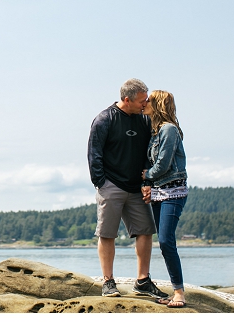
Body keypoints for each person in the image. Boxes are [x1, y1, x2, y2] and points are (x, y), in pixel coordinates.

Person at [87, 78, 169, 299]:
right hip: (110, 185)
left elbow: (149, 153)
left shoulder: (143, 120)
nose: (145, 104)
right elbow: (94, 153)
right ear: (126, 99)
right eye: (142, 100)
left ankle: (142, 281)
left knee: (145, 231)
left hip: (137, 187)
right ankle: (108, 282)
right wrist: (100, 182)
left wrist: (147, 183)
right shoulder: (105, 119)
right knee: (107, 234)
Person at [141, 90, 188, 308]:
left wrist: (146, 176)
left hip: (173, 193)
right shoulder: (154, 132)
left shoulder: (169, 130)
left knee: (166, 241)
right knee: (164, 242)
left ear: (158, 104)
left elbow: (163, 164)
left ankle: (179, 293)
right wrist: (148, 185)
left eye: (148, 101)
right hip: (160, 192)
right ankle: (176, 290)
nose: (144, 103)